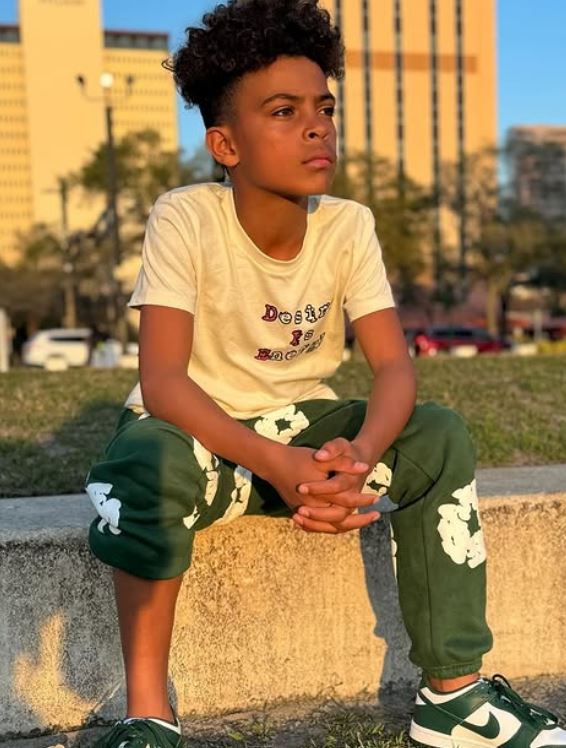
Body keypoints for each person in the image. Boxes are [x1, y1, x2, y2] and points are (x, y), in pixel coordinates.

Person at [85, 2, 566, 747]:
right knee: (144, 463)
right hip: (198, 443)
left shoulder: (349, 225)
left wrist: (360, 455)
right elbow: (165, 382)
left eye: (324, 108)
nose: (317, 127)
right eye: (284, 112)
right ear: (225, 144)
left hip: (303, 444)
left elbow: (394, 369)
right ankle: (148, 716)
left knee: (437, 433)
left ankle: (454, 700)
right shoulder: (186, 217)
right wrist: (275, 463)